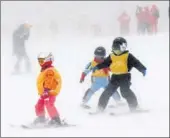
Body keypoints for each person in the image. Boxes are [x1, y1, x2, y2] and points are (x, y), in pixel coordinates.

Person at [92, 37, 147, 113]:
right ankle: (100, 108)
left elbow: (136, 63)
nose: (116, 50)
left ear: (123, 47)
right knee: (107, 92)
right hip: (114, 77)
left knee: (125, 92)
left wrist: (142, 69)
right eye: (114, 48)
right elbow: (105, 63)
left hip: (124, 77)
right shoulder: (112, 56)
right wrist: (97, 67)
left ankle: (134, 107)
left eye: (117, 48)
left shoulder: (128, 56)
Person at [34, 52, 62, 126]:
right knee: (39, 105)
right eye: (39, 61)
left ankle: (56, 119)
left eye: (41, 61)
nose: (40, 63)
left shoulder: (50, 70)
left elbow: (49, 81)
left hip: (50, 92)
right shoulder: (45, 69)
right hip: (44, 93)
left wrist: (46, 90)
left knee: (49, 104)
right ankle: (41, 118)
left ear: (47, 60)